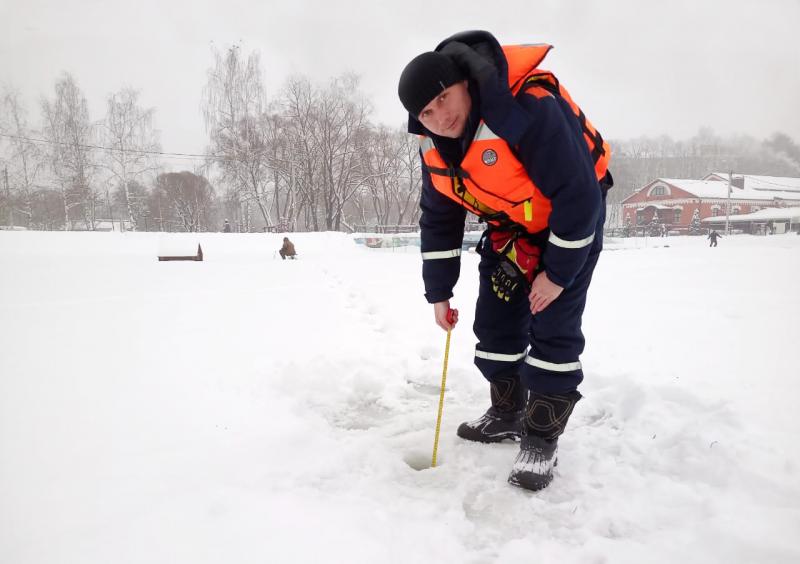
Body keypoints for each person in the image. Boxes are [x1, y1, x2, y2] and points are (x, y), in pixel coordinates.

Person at [398, 30, 613, 491]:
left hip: (569, 219)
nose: (440, 117)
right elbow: (438, 217)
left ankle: (541, 438)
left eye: (443, 98)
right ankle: (507, 411)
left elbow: (579, 196)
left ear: (464, 84)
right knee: (495, 322)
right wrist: (439, 292)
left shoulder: (528, 108)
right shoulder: (432, 145)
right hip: (513, 225)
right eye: (427, 112)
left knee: (552, 323)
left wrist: (557, 275)